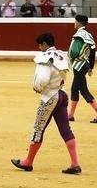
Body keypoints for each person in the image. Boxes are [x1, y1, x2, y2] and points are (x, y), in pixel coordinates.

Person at [11, 33, 81, 174]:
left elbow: (42, 80)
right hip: (62, 94)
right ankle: (75, 163)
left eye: (40, 45)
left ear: (44, 44)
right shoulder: (61, 55)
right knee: (65, 130)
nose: (39, 48)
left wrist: (37, 88)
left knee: (38, 129)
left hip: (49, 97)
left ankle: (28, 162)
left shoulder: (45, 58)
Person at [67, 15, 97, 123]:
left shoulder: (79, 35)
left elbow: (73, 51)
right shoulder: (89, 35)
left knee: (83, 90)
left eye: (75, 21)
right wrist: (91, 67)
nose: (74, 23)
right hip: (85, 64)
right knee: (76, 89)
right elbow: (93, 52)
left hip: (79, 65)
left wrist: (70, 58)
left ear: (79, 22)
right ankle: (70, 115)